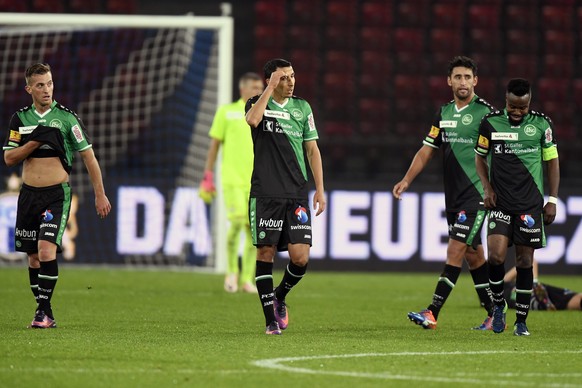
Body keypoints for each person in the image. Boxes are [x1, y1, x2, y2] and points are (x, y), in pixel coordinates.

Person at [3, 63, 111, 328]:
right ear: (29, 88)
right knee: (33, 257)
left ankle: (42, 312)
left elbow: (89, 157)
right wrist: (36, 141)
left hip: (55, 195)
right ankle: (45, 310)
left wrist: (100, 195)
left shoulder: (66, 119)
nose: (46, 89)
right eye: (40, 85)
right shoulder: (20, 119)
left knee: (46, 249)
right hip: (28, 195)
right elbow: (9, 158)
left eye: (49, 83)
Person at [393, 56, 495, 330]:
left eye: (467, 77)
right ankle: (495, 312)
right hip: (454, 196)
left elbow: (500, 154)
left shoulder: (487, 114)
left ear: (476, 80)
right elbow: (427, 149)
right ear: (449, 81)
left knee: (455, 250)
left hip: (477, 195)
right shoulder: (444, 113)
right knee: (474, 256)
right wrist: (407, 179)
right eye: (458, 77)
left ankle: (432, 311)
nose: (463, 82)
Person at [245, 58, 325, 335]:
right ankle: (270, 322)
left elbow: (312, 151)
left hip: (296, 193)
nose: (290, 82)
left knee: (301, 257)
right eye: (284, 78)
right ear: (271, 80)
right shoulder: (258, 104)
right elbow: (252, 120)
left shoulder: (303, 108)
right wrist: (269, 88)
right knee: (265, 252)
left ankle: (279, 295)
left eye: (292, 76)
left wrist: (320, 190)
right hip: (266, 193)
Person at [475, 78, 560, 336]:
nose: (517, 112)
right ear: (506, 100)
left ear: (529, 102)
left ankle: (521, 321)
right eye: (513, 106)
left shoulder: (542, 125)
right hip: (500, 203)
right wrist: (487, 188)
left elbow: (552, 163)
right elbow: (480, 158)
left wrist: (552, 200)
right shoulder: (490, 123)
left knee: (525, 261)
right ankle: (499, 305)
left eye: (522, 107)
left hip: (530, 205)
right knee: (497, 256)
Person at [199, 72, 264, 293]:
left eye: (261, 87)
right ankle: (231, 272)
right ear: (243, 89)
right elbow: (214, 146)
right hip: (232, 180)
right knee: (237, 222)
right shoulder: (226, 113)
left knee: (253, 231)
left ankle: (247, 279)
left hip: (257, 181)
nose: (258, 91)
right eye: (254, 87)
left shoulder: (264, 113)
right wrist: (208, 176)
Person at [503, 260, 582, 312]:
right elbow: (529, 261)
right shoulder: (501, 286)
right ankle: (535, 286)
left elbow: (529, 262)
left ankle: (536, 287)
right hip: (533, 294)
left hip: (531, 297)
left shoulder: (501, 289)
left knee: (567, 302)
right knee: (568, 300)